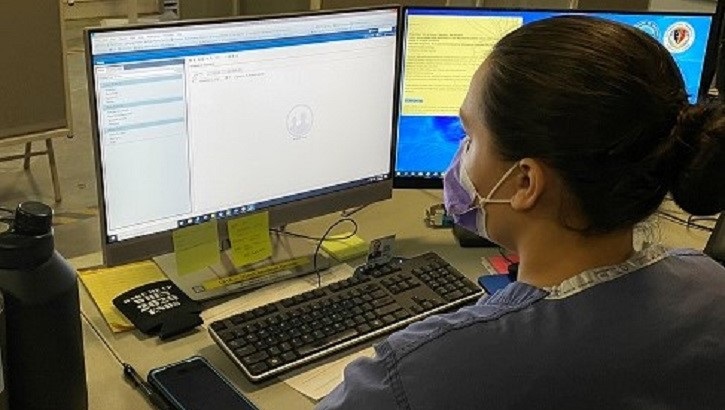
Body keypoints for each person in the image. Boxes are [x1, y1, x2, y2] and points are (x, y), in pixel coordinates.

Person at [317, 16, 725, 409]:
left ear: (526, 183)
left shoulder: (416, 374)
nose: (460, 157)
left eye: (470, 137)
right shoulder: (711, 285)